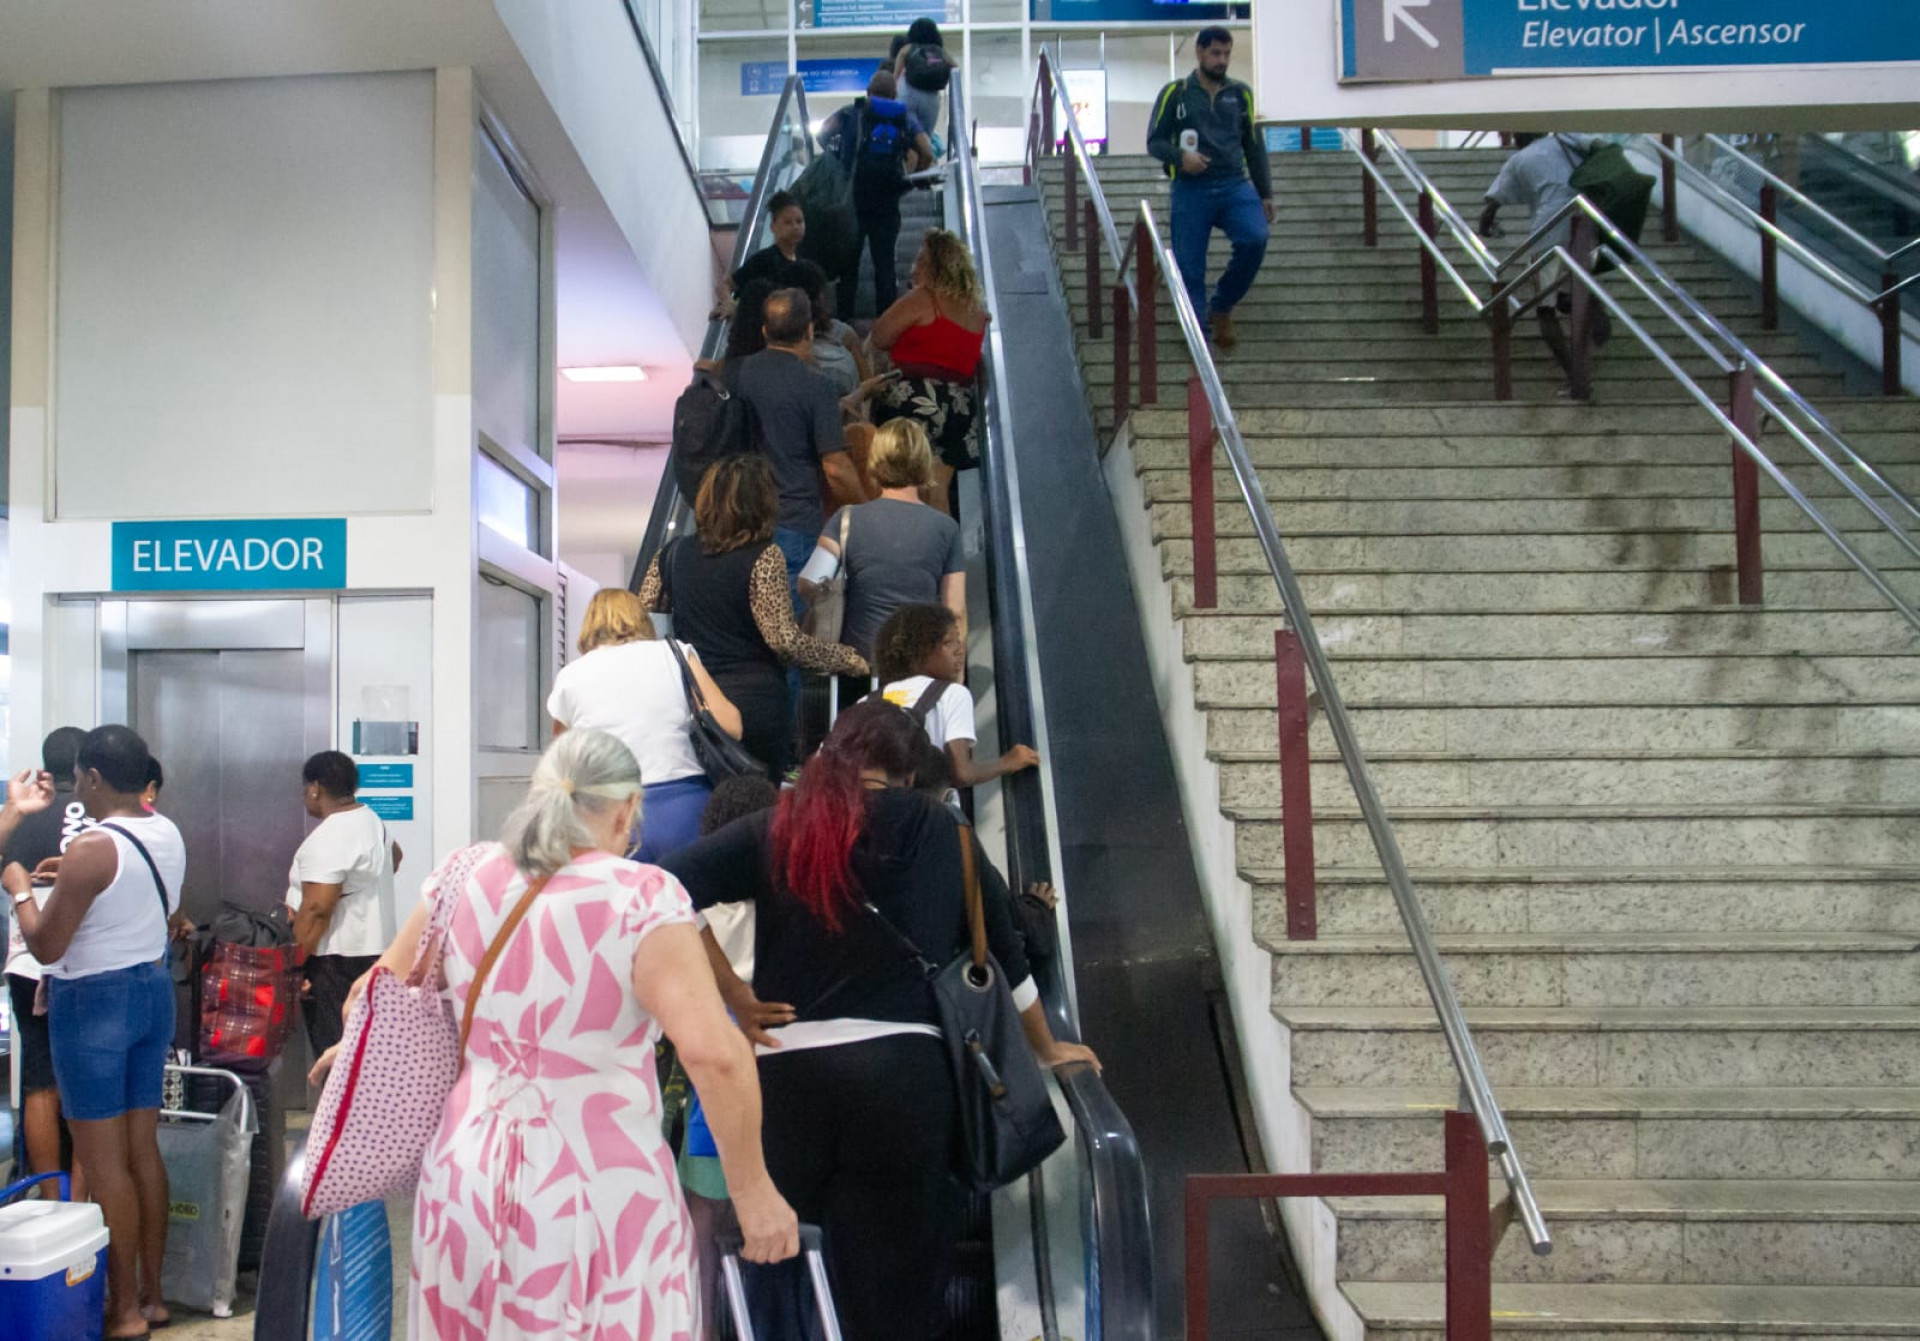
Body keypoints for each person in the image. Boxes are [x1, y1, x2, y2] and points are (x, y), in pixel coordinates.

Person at [311, 729, 799, 1337]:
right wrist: (753, 1195)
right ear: (626, 810)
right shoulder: (641, 897)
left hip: (465, 1171)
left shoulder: (461, 875)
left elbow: (373, 993)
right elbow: (713, 1054)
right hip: (598, 1182)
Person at [660, 701, 1096, 1341]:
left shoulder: (780, 825)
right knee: (892, 1301)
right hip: (904, 1083)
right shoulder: (944, 831)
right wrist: (1047, 1045)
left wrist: (736, 995)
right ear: (910, 776)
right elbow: (1006, 955)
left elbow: (662, 890)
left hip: (786, 1084)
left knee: (787, 1277)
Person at [6, 725, 186, 1338]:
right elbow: (131, 895)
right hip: (152, 993)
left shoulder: (92, 848)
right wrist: (73, 873)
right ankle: (154, 1297)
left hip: (94, 1006)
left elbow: (46, 944)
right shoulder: (164, 830)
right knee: (142, 1149)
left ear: (92, 779)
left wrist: (21, 891)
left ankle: (125, 1311)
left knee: (103, 1162)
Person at [639, 455, 870, 781]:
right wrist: (843, 656)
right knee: (757, 814)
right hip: (754, 706)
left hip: (694, 702)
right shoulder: (764, 556)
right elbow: (783, 640)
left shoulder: (672, 554)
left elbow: (643, 617)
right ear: (760, 503)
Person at [547, 587, 744, 862]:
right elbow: (732, 724)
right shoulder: (674, 654)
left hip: (610, 815)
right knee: (688, 901)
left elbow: (560, 757)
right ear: (641, 618)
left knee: (618, 902)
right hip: (684, 808)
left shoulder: (571, 675)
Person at [726, 287, 868, 604]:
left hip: (742, 520)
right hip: (794, 521)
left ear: (765, 331)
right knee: (789, 626)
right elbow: (835, 468)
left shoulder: (738, 374)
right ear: (809, 329)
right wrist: (865, 508)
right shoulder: (817, 387)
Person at [2, 727, 90, 1203]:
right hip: (84, 961)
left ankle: (49, 1199)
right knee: (83, 1079)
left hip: (26, 959)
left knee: (38, 1080)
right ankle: (80, 1201)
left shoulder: (24, 815)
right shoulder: (99, 813)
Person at [1146, 26, 1274, 351]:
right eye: (1216, 53)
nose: (1222, 60)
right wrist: (1180, 158)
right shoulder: (1175, 93)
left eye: (1227, 53)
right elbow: (1155, 141)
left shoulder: (1241, 94)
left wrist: (1265, 192)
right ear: (1200, 52)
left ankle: (1222, 306)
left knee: (1255, 238)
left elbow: (1254, 146)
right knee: (1190, 266)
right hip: (1191, 188)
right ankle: (1197, 334)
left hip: (1233, 184)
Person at [799, 417, 965, 663]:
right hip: (920, 664)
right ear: (923, 461)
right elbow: (956, 611)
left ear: (877, 461)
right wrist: (955, 676)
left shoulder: (846, 520)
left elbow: (809, 581)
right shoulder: (946, 528)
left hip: (861, 663)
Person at [285, 750, 402, 1060]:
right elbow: (396, 857)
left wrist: (292, 965)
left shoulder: (330, 836)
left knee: (337, 1060)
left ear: (315, 788)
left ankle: (340, 1110)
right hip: (375, 954)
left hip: (334, 963)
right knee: (369, 1058)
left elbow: (317, 909)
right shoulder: (371, 821)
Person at [1477, 133, 1613, 395]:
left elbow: (1490, 207)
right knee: (1569, 294)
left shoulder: (1518, 160)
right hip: (1585, 220)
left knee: (1545, 309)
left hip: (1549, 231)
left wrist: (1485, 226)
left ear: (1517, 138)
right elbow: (1600, 146)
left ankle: (1576, 377)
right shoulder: (1564, 140)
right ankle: (1593, 306)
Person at [870, 229, 989, 514]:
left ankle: (902, 549)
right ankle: (945, 553)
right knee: (937, 491)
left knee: (900, 487)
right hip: (961, 411)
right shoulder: (977, 310)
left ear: (935, 266)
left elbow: (879, 336)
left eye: (920, 261)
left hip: (917, 401)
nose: (913, 268)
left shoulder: (925, 298)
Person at [873, 603, 1039, 789]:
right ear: (919, 651)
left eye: (958, 641)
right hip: (927, 811)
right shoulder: (952, 694)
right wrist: (1009, 761)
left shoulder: (867, 702)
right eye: (947, 642)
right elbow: (962, 774)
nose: (959, 650)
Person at [822, 70, 934, 319]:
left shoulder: (851, 111)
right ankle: (886, 323)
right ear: (894, 95)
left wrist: (839, 162)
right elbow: (927, 150)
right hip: (887, 202)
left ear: (868, 93)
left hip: (853, 201)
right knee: (885, 265)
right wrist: (915, 176)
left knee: (849, 264)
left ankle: (844, 323)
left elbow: (823, 132)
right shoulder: (904, 116)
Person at [732, 190, 806, 294]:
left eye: (799, 221)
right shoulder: (763, 259)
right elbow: (727, 285)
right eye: (788, 222)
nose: (796, 227)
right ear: (773, 226)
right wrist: (729, 303)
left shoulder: (803, 260)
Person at [893, 17, 952, 146]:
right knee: (925, 136)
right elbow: (955, 68)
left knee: (904, 134)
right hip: (931, 98)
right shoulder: (940, 52)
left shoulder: (907, 48)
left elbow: (896, 76)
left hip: (907, 93)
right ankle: (923, 163)